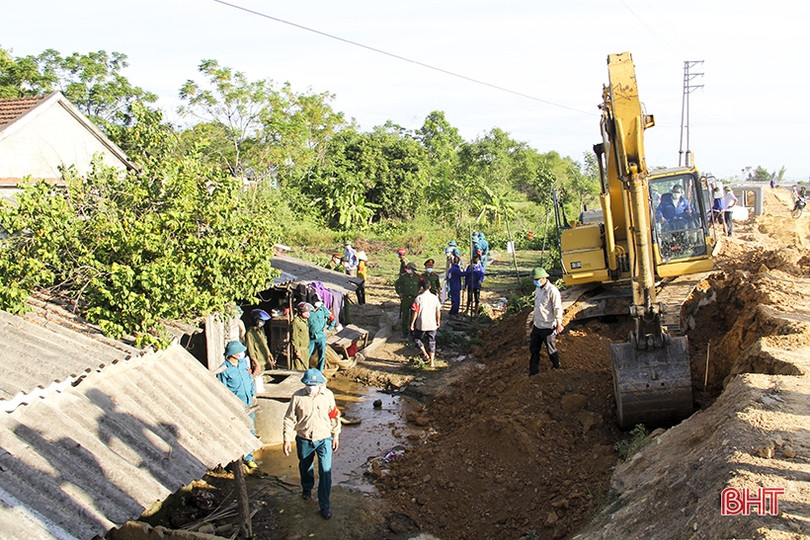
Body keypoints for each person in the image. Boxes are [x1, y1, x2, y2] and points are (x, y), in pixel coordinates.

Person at [282, 368, 341, 520]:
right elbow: (289, 418)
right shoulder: (297, 397)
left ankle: (324, 505)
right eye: (308, 385)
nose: (311, 388)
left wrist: (336, 435)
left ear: (320, 384)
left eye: (314, 385)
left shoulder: (328, 395)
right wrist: (286, 438)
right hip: (304, 438)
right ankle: (307, 488)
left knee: (325, 471)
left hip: (324, 439)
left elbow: (334, 416)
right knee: (305, 466)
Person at [217, 341, 259, 470]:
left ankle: (249, 458)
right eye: (240, 351)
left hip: (248, 403)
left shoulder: (242, 364)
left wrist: (253, 394)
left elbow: (249, 380)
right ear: (233, 354)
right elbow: (222, 390)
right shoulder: (224, 369)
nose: (242, 353)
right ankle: (236, 459)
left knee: (250, 430)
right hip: (236, 406)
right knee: (238, 431)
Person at [527, 268, 563, 374]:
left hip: (548, 326)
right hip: (538, 325)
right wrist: (533, 320)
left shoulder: (552, 291)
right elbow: (537, 307)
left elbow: (557, 308)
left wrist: (559, 324)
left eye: (537, 279)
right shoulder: (538, 289)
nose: (535, 281)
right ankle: (533, 371)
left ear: (544, 278)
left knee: (551, 349)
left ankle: (557, 368)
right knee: (534, 349)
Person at [410, 278, 442, 367]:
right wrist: (438, 321)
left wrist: (412, 323)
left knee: (417, 338)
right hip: (432, 323)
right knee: (432, 341)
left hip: (422, 323)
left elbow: (415, 312)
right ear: (430, 287)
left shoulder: (418, 298)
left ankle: (425, 354)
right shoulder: (435, 298)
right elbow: (438, 311)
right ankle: (432, 362)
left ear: (421, 288)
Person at [308, 294, 335, 372]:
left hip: (321, 336)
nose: (318, 303)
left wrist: (329, 329)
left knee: (321, 355)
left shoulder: (323, 310)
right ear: (312, 301)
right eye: (316, 301)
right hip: (311, 337)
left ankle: (320, 371)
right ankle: (306, 370)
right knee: (308, 354)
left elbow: (333, 319)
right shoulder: (308, 310)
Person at [394, 261, 421, 336]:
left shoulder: (418, 277)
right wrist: (399, 292)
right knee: (405, 316)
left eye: (410, 268)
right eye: (407, 268)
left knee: (414, 315)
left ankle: (413, 331)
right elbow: (397, 284)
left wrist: (420, 293)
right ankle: (405, 332)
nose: (408, 270)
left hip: (414, 299)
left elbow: (423, 285)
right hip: (406, 298)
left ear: (413, 269)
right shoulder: (403, 277)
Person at [291, 302, 311, 371]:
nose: (308, 314)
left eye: (308, 312)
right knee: (298, 369)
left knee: (305, 368)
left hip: (306, 349)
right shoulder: (296, 322)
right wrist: (297, 350)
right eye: (305, 312)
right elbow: (294, 337)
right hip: (300, 349)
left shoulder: (305, 321)